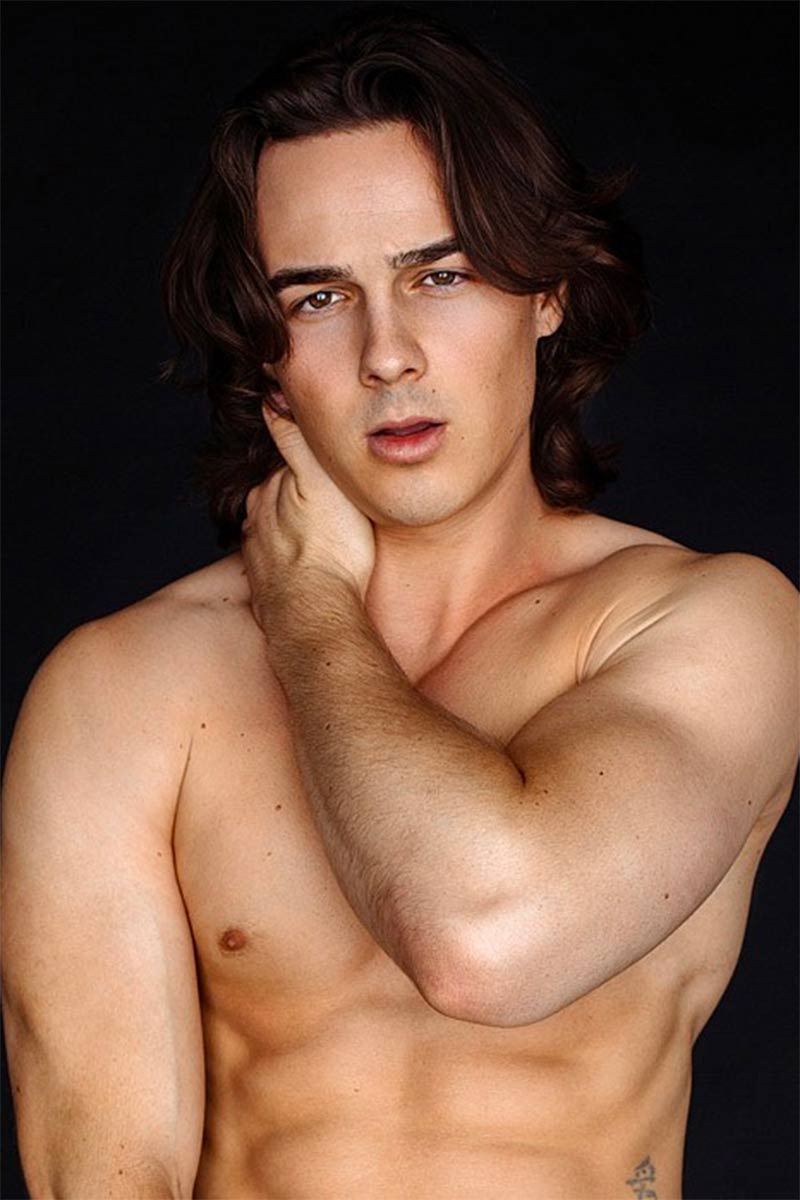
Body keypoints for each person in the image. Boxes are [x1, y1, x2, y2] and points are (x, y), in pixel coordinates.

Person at [2, 6, 797, 1198]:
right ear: (262, 347)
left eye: (441, 274)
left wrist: (310, 607)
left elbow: (486, 942)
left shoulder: (709, 625)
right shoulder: (124, 691)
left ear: (546, 292)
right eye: (317, 298)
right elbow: (102, 1175)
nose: (388, 354)